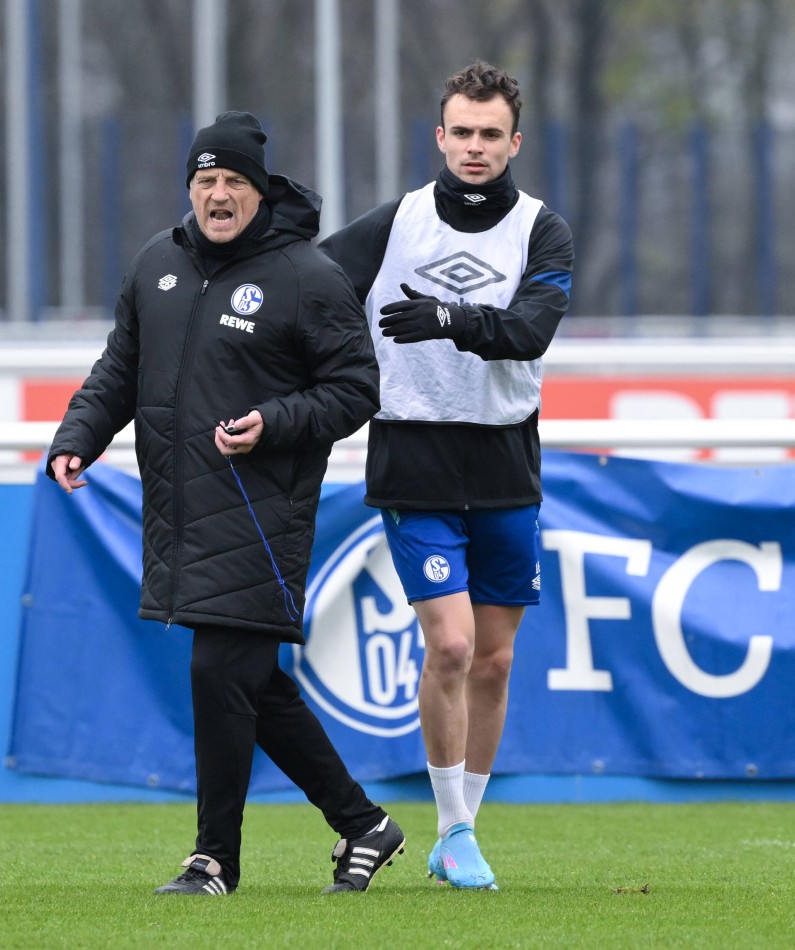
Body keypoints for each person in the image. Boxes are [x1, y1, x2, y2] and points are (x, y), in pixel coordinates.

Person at [47, 111, 403, 896]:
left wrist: (273, 423)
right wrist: (80, 434)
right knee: (247, 681)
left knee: (219, 669)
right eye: (205, 180)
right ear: (190, 190)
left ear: (259, 192)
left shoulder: (309, 277)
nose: (217, 194)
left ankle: (215, 860)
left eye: (233, 181)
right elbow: (120, 368)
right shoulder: (157, 265)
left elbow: (355, 389)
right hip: (178, 510)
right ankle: (362, 823)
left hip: (259, 510)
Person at [320, 61, 574, 890]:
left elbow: (531, 330)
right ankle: (454, 827)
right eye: (460, 132)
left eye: (489, 134)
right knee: (453, 644)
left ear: (514, 142)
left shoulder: (543, 230)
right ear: (439, 136)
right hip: (414, 454)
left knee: (496, 662)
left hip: (504, 459)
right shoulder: (396, 224)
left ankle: (460, 833)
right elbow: (313, 289)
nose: (473, 146)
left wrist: (448, 318)